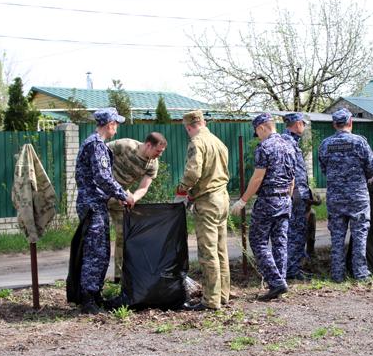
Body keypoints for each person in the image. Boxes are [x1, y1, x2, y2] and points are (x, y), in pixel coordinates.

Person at [75, 107, 134, 314]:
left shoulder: (94, 143)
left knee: (100, 250)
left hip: (95, 204)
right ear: (110, 124)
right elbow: (102, 177)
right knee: (94, 252)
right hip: (92, 205)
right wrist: (123, 194)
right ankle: (88, 299)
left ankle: (95, 294)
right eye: (116, 123)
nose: (116, 127)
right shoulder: (96, 145)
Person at [231, 113, 296, 301]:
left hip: (268, 200)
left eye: (257, 132)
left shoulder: (264, 147)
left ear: (261, 128)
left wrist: (243, 200)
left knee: (258, 241)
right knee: (280, 242)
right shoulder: (290, 145)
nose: (257, 136)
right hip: (285, 200)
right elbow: (292, 178)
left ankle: (276, 282)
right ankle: (280, 281)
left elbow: (258, 177)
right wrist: (288, 198)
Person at [174, 110, 230, 311]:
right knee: (221, 250)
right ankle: (223, 295)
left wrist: (182, 189)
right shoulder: (218, 141)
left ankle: (210, 300)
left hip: (207, 201)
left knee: (208, 252)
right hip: (222, 198)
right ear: (203, 122)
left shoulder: (197, 142)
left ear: (189, 127)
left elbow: (193, 172)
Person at [318, 108, 373, 282]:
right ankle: (360, 274)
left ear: (334, 124)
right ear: (350, 122)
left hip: (335, 197)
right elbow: (372, 169)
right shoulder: (360, 142)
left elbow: (323, 168)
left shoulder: (325, 144)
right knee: (359, 235)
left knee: (337, 236)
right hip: (357, 196)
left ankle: (337, 275)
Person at [107, 132, 167, 283]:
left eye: (161, 152)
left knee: (124, 236)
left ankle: (119, 278)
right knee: (97, 237)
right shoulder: (125, 145)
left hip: (120, 200)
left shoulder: (153, 163)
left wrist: (133, 197)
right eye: (157, 151)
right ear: (148, 145)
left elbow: (144, 187)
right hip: (99, 196)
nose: (159, 155)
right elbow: (98, 157)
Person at [281, 112, 311, 281]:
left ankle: (293, 268)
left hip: (297, 193)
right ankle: (291, 270)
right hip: (294, 194)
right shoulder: (288, 142)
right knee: (295, 232)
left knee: (295, 231)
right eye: (303, 124)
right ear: (298, 124)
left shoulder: (290, 141)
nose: (304, 127)